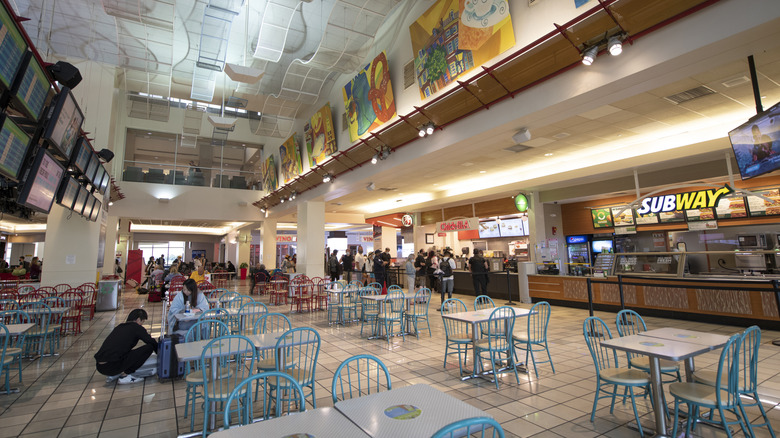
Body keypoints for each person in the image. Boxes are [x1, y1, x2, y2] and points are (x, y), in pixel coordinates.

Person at [94, 309, 158, 384]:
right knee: (149, 348)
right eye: (142, 322)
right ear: (138, 319)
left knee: (126, 352)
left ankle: (116, 373)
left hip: (100, 366)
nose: (142, 324)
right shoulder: (136, 327)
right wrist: (161, 354)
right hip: (111, 366)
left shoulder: (119, 327)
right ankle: (126, 375)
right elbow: (151, 342)